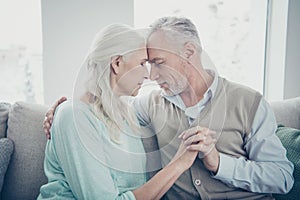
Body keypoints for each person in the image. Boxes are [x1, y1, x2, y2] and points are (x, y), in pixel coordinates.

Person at [44, 17, 294, 199]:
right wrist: (59, 112)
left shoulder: (249, 102)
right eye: (146, 63)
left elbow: (283, 178)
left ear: (188, 53)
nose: (151, 74)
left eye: (157, 62)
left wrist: (219, 163)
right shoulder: (148, 105)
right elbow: (101, 103)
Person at [38, 23, 204, 200]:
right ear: (117, 63)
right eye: (142, 63)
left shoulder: (127, 113)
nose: (148, 75)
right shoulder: (73, 116)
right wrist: (179, 164)